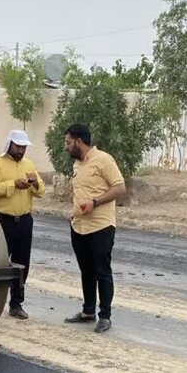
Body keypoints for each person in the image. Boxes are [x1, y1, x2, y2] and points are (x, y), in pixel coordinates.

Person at [63, 123, 125, 333]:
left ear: (79, 141)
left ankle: (105, 316)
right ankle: (88, 310)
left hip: (100, 226)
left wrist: (96, 202)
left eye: (68, 142)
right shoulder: (78, 165)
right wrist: (74, 212)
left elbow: (120, 188)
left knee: (102, 271)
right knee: (86, 270)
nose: (66, 147)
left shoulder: (104, 160)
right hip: (79, 225)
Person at [0, 128, 43, 319]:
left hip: (25, 221)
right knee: (0, 262)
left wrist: (33, 183)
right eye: (18, 146)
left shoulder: (29, 164)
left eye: (23, 147)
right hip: (3, 220)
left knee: (22, 263)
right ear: (9, 144)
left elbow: (41, 192)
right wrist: (12, 185)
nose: (21, 150)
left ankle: (16, 304)